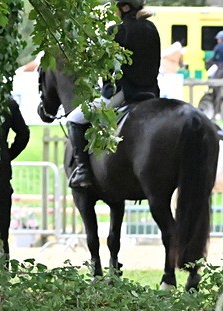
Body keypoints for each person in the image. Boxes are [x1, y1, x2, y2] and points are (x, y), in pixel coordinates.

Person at [65, 0, 161, 189]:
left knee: (74, 119)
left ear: (125, 8)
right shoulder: (152, 28)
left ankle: (83, 171)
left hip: (125, 93)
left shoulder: (117, 31)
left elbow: (109, 70)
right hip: (151, 92)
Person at [1, 97, 31, 260]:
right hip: (1, 170)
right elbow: (23, 133)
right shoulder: (7, 103)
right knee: (2, 231)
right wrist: (7, 155)